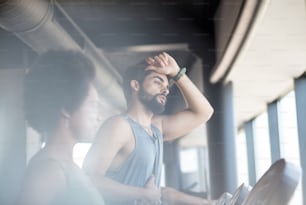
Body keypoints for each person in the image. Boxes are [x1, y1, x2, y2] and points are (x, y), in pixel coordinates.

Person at [83, 52, 214, 205]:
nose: (166, 90)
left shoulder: (157, 128)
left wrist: (177, 74)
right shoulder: (119, 126)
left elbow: (205, 112)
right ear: (136, 85)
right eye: (158, 82)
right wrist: (142, 194)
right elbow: (88, 180)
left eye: (166, 86)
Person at [15, 50, 105, 205]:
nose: (99, 117)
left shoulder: (66, 165)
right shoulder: (49, 170)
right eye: (93, 106)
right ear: (66, 109)